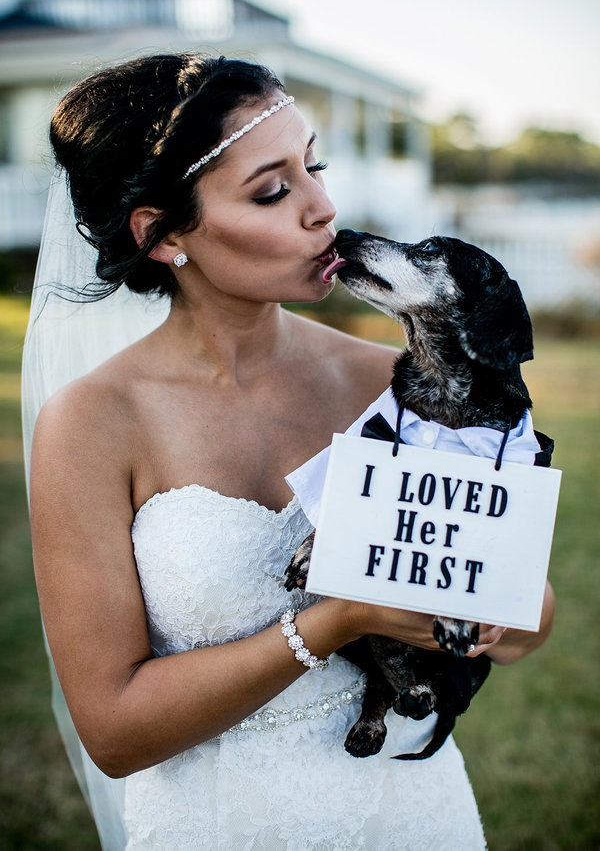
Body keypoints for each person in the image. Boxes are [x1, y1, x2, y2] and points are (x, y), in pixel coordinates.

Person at [23, 53, 554, 850]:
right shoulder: (92, 424)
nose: (324, 208)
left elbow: (528, 619)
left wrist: (482, 614)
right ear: (161, 235)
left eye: (315, 167)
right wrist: (334, 622)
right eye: (273, 190)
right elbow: (114, 732)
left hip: (413, 816)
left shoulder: (393, 383)